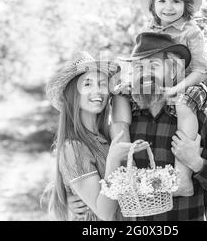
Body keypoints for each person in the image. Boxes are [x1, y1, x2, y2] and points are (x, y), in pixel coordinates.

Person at [111, 0, 207, 197]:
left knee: (184, 103)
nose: (169, 7)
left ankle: (182, 175)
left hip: (192, 84)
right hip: (162, 85)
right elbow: (142, 63)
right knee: (119, 96)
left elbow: (201, 71)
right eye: (162, 1)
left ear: (186, 5)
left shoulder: (191, 31)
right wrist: (130, 84)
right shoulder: (151, 30)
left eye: (176, 1)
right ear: (153, 4)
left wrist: (176, 88)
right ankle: (125, 166)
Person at [119, 32, 207, 220]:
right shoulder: (127, 121)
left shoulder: (200, 119)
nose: (144, 73)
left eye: (154, 65)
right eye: (138, 67)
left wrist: (196, 163)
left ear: (174, 70)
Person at [45, 51, 149, 221]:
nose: (97, 91)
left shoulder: (105, 136)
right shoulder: (74, 147)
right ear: (73, 95)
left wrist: (117, 92)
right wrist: (113, 162)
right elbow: (105, 213)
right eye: (87, 84)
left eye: (102, 84)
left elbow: (121, 122)